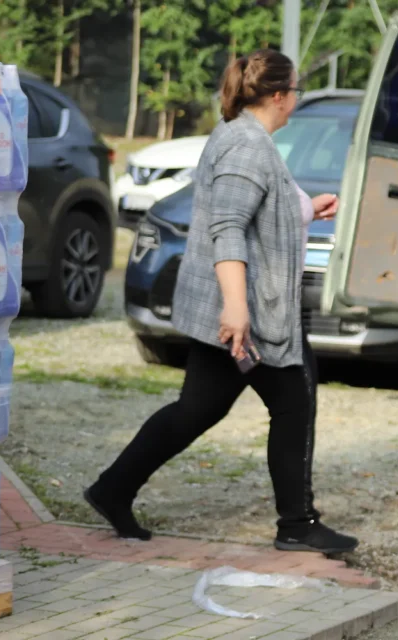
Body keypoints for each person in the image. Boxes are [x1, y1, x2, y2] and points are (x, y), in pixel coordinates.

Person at [84, 50, 358, 555]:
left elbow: (249, 209)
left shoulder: (239, 135)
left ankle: (113, 488)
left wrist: (303, 208)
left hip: (232, 307)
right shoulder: (248, 146)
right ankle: (296, 524)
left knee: (197, 411)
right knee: (294, 401)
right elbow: (227, 226)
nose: (296, 98)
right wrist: (236, 309)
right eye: (294, 90)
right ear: (278, 95)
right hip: (247, 311)